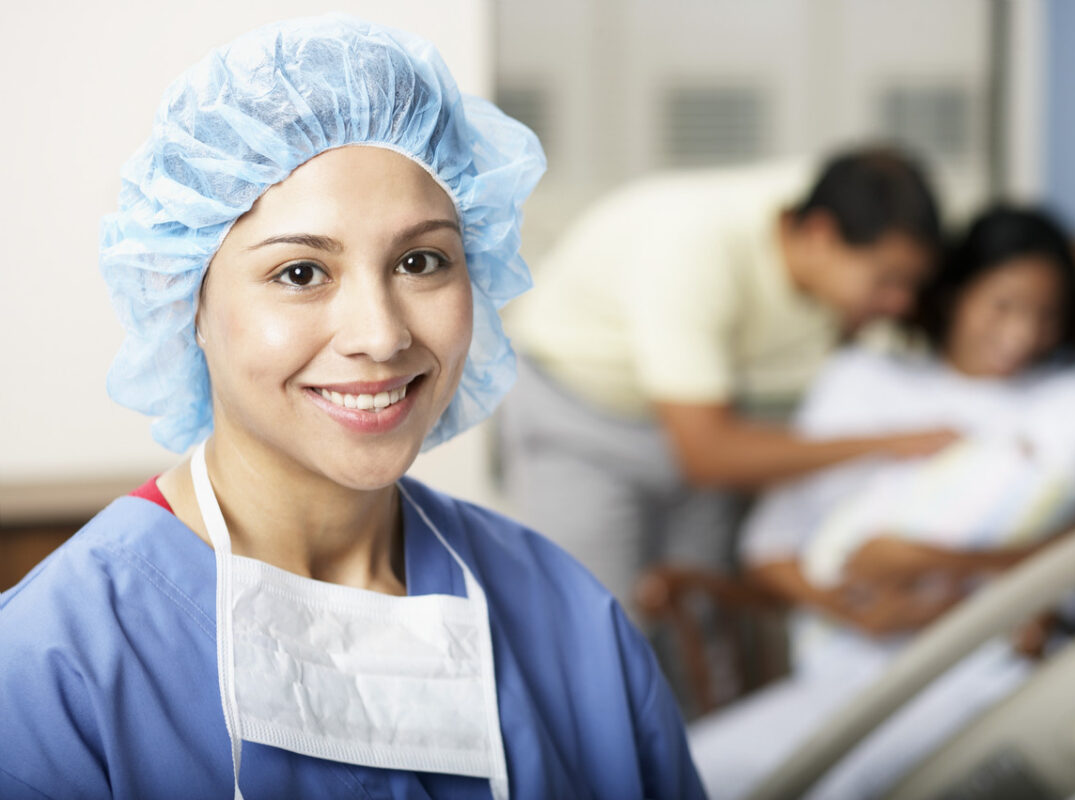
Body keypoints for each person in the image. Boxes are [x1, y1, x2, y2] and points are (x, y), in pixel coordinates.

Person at [0, 16, 703, 799]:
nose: (380, 334)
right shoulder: (53, 667)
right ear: (182, 295)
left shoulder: (568, 621)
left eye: (420, 260)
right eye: (301, 273)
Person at [688, 206, 1075, 799]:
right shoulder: (864, 385)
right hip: (855, 667)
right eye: (1002, 305)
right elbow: (770, 551)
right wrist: (853, 607)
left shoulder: (1074, 412)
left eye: (1047, 315)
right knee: (701, 769)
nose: (1023, 334)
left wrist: (925, 561)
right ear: (954, 295)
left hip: (997, 672)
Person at [501, 150, 959, 610]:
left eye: (911, 285)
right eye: (887, 281)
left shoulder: (834, 207)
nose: (900, 302)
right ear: (820, 235)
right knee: (595, 622)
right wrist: (886, 444)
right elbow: (707, 452)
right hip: (580, 415)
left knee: (702, 616)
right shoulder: (695, 249)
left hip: (693, 414)